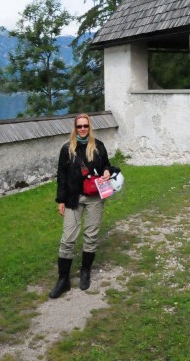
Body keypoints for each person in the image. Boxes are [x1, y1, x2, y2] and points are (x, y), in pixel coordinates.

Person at [49, 113, 118, 298]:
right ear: (74, 127)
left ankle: (85, 272)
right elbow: (61, 177)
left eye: (85, 126)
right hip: (73, 198)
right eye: (79, 126)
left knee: (91, 235)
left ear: (90, 127)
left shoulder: (98, 146)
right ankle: (63, 280)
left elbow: (108, 166)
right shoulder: (67, 149)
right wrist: (61, 200)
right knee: (68, 238)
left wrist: (106, 171)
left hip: (95, 197)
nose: (82, 129)